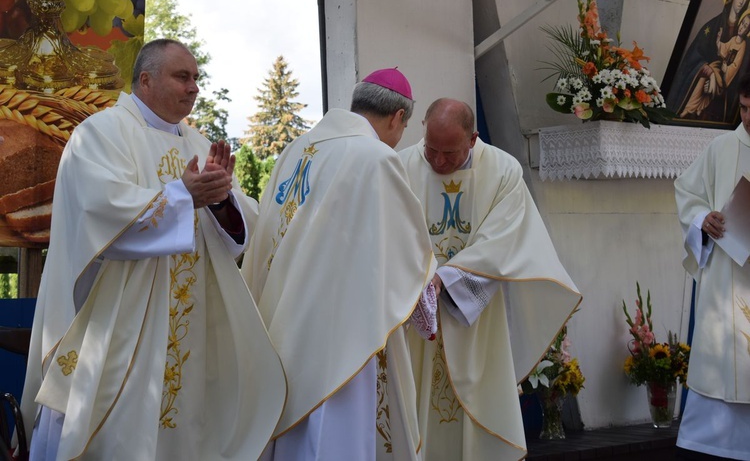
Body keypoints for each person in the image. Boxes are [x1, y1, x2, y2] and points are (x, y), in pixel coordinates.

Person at [17, 38, 285, 460]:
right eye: (183, 76)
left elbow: (241, 224)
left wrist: (220, 201)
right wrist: (182, 196)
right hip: (119, 322)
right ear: (146, 79)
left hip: (189, 327)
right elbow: (101, 210)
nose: (194, 87)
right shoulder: (102, 134)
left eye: (197, 78)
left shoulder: (198, 144)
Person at [241, 68, 438, 460]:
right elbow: (407, 250)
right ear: (397, 117)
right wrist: (427, 298)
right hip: (342, 329)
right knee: (334, 430)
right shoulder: (375, 156)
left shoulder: (296, 148)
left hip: (282, 317)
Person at [398, 98, 582, 460]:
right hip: (417, 321)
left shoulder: (502, 171)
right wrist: (420, 278)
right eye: (431, 149)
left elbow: (504, 240)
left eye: (449, 153)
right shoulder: (402, 166)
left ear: (472, 139)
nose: (438, 162)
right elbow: (391, 232)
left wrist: (443, 280)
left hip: (478, 321)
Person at [674, 71, 750, 460]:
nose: (748, 118)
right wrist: (703, 217)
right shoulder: (722, 147)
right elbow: (687, 192)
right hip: (728, 274)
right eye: (744, 108)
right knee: (724, 364)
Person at [668, 0, 750, 125]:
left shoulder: (746, 43)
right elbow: (690, 61)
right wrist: (710, 73)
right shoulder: (712, 27)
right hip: (692, 113)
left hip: (721, 118)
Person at [681, 10, 750, 119]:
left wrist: (726, 68)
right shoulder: (733, 39)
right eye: (742, 23)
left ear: (748, 30)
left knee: (712, 69)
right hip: (720, 70)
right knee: (707, 74)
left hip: (724, 77)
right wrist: (718, 41)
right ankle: (697, 107)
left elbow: (735, 66)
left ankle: (691, 107)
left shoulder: (743, 45)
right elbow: (724, 49)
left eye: (746, 26)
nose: (742, 27)